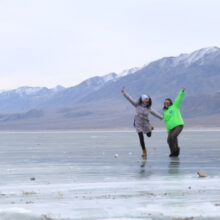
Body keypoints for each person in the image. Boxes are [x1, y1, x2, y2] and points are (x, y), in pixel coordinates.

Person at [121, 88, 163, 158]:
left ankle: (150, 127)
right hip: (138, 124)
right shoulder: (137, 105)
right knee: (141, 137)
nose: (147, 101)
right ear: (142, 100)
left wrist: (162, 117)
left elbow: (155, 114)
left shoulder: (148, 108)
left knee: (149, 135)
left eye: (148, 100)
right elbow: (130, 99)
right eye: (146, 100)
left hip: (146, 124)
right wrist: (124, 93)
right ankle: (144, 151)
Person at [163, 88, 185, 157]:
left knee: (174, 136)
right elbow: (167, 123)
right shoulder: (165, 112)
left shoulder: (175, 106)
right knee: (169, 140)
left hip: (178, 125)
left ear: (170, 103)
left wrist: (182, 92)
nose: (166, 104)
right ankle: (172, 152)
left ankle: (176, 150)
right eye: (165, 103)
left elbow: (179, 99)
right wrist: (168, 131)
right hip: (171, 128)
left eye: (167, 102)